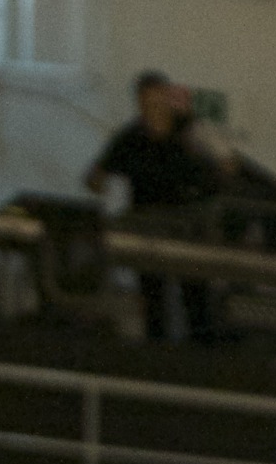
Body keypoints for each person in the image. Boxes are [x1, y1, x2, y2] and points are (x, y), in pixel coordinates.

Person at [86, 73, 222, 341]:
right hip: (147, 229)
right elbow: (95, 177)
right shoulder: (131, 138)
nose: (154, 110)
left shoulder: (191, 132)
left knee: (196, 297)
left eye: (159, 103)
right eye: (148, 104)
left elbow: (219, 171)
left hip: (189, 228)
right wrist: (100, 181)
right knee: (153, 297)